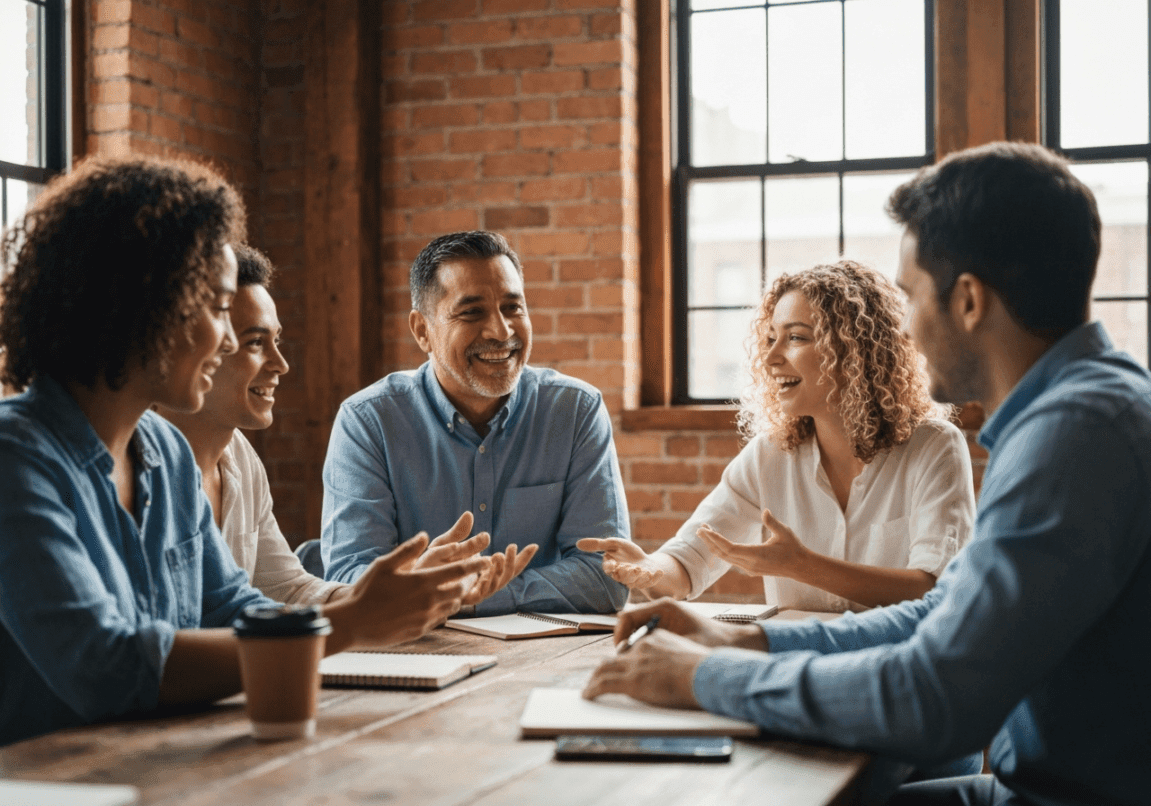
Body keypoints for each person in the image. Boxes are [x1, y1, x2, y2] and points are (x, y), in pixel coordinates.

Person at [583, 142, 1151, 806]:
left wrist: (707, 676)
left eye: (909, 297)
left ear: (967, 300)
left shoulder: (1074, 437)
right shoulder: (1076, 413)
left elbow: (936, 695)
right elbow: (939, 613)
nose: (903, 329)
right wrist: (744, 638)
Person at [0, 157, 486, 746]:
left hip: (158, 767)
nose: (228, 339)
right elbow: (101, 664)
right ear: (139, 303)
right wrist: (348, 622)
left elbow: (233, 606)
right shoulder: (16, 458)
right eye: (214, 308)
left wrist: (381, 603)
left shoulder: (167, 453)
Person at [159, 245, 534, 622]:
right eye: (255, 342)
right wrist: (363, 615)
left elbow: (287, 588)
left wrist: (396, 595)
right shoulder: (139, 465)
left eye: (276, 340)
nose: (281, 364)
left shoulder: (239, 457)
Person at [580, 261, 975, 613]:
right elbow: (689, 562)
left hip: (897, 667)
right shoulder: (769, 455)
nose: (770, 358)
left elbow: (935, 590)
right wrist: (650, 569)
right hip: (798, 662)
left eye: (796, 337)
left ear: (854, 352)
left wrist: (801, 565)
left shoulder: (934, 447)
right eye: (771, 338)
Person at [321, 230, 630, 615]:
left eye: (513, 308)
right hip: (417, 655)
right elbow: (349, 578)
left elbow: (609, 576)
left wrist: (471, 593)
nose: (501, 332)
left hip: (541, 657)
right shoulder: (369, 422)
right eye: (472, 312)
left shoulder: (575, 411)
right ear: (422, 331)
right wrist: (435, 586)